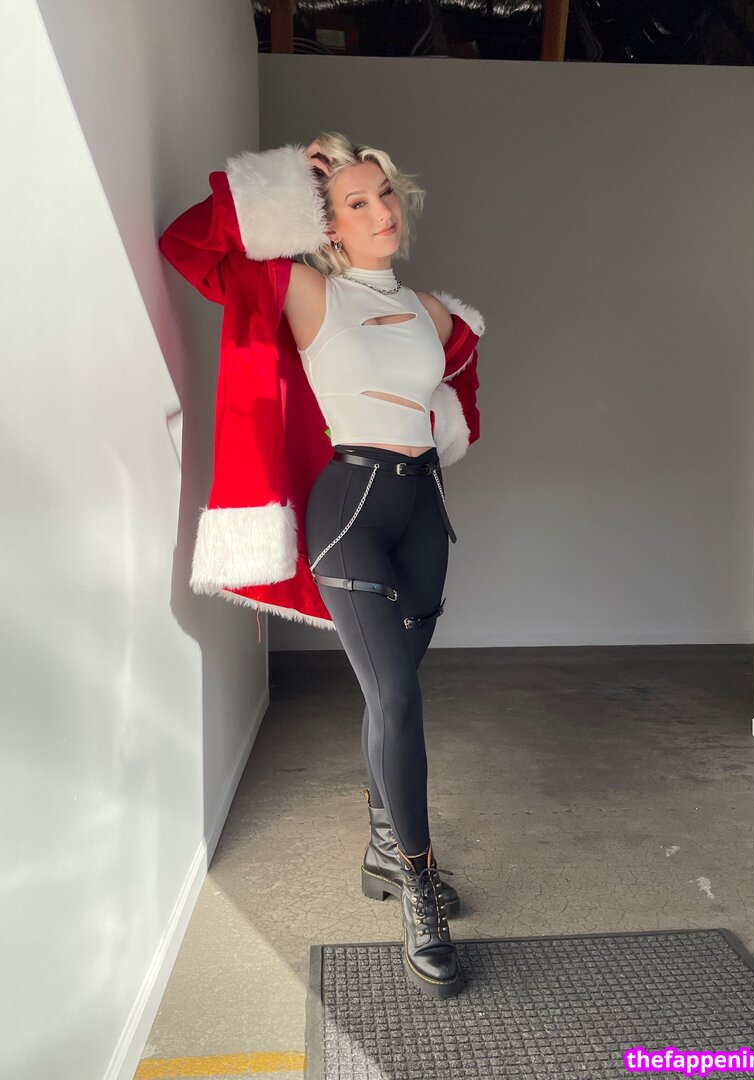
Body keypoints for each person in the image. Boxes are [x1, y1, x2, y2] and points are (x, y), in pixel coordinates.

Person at [158, 132, 484, 999]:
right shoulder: (308, 291)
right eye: (355, 202)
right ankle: (419, 886)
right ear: (327, 226)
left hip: (423, 514)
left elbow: (457, 392)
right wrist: (282, 182)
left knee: (392, 696)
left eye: (386, 194)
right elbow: (188, 245)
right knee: (397, 698)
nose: (382, 211)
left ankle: (383, 847)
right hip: (351, 514)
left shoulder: (433, 312)